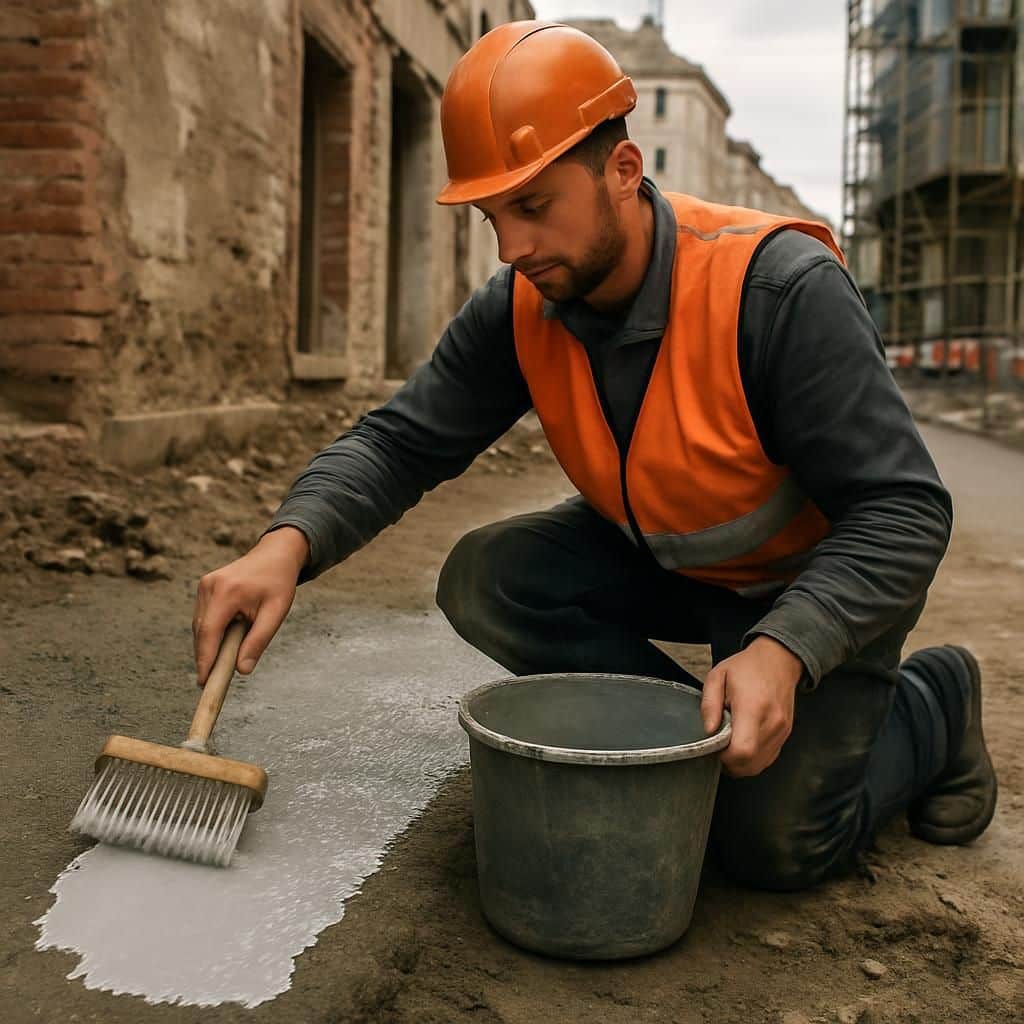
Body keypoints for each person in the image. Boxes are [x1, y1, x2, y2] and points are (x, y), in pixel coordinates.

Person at [192, 22, 997, 890]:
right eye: (492, 216)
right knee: (491, 575)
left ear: (622, 172)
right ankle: (681, 736)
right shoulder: (523, 302)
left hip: (816, 582)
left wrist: (786, 649)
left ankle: (935, 705)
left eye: (533, 207)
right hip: (672, 559)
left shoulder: (777, 290)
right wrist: (288, 542)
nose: (511, 248)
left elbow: (905, 510)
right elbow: (400, 441)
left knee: (772, 851)